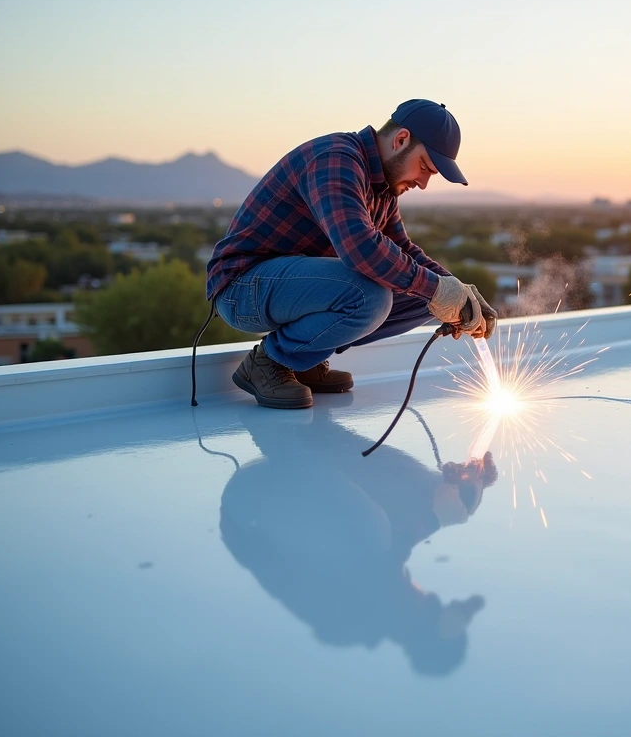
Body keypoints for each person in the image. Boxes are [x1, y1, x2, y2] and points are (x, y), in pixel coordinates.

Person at [205, 99, 496, 409]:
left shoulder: (383, 190)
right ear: (401, 140)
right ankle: (269, 362)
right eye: (424, 167)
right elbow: (360, 247)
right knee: (371, 294)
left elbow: (403, 252)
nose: (423, 183)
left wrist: (459, 291)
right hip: (243, 287)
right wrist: (438, 288)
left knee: (427, 298)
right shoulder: (335, 160)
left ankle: (304, 359)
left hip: (289, 288)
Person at [218, 405, 497, 676]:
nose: (425, 594)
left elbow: (375, 568)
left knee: (372, 534)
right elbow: (395, 546)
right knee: (417, 496)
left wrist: (437, 517)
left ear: (425, 617)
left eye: (432, 605)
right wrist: (454, 490)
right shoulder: (382, 594)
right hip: (268, 507)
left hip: (249, 512)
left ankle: (284, 440)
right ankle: (314, 430)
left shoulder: (352, 624)